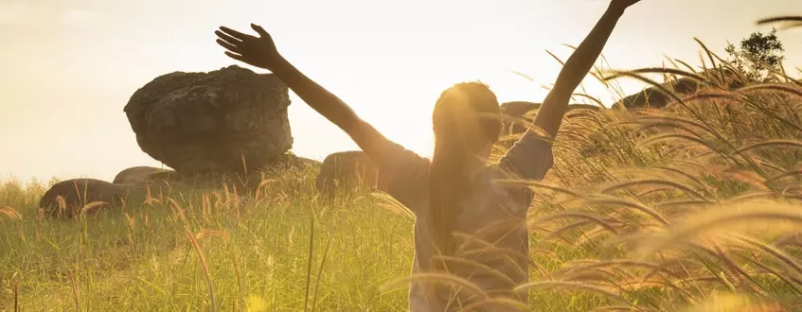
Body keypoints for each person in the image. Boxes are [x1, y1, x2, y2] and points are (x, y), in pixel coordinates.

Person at [214, 0, 641, 310]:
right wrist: (614, 10)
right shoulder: (515, 178)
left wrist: (278, 63)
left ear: (435, 130)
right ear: (495, 131)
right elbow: (563, 87)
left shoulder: (420, 180)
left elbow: (347, 119)